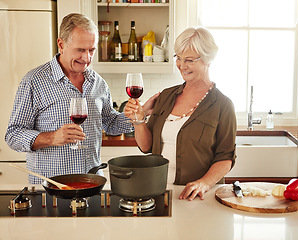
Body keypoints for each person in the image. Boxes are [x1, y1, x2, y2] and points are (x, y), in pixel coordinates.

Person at [5, 13, 156, 184]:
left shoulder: (97, 82)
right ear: (61, 45)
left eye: (91, 50)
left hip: (92, 183)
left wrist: (141, 112)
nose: (87, 58)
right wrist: (53, 137)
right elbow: (13, 135)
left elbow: (111, 123)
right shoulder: (34, 81)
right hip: (51, 187)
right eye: (80, 50)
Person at [125, 27, 237, 201]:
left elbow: (226, 157)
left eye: (190, 60)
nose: (182, 66)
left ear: (207, 60)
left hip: (199, 197)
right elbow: (147, 147)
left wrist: (203, 183)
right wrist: (139, 119)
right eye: (178, 58)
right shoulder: (166, 96)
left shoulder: (223, 105)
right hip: (159, 191)